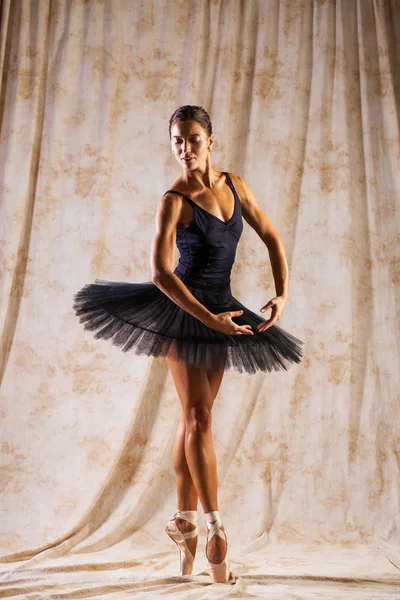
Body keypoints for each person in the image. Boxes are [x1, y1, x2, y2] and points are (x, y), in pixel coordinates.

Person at [73, 105, 304, 583]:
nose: (185, 149)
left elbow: (273, 237)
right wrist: (209, 322)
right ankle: (217, 534)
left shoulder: (236, 186)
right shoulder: (173, 199)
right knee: (198, 417)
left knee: (195, 418)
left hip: (224, 307)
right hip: (183, 310)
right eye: (177, 140)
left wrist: (282, 294)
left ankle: (184, 524)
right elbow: (159, 273)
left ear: (211, 141)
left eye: (193, 139)